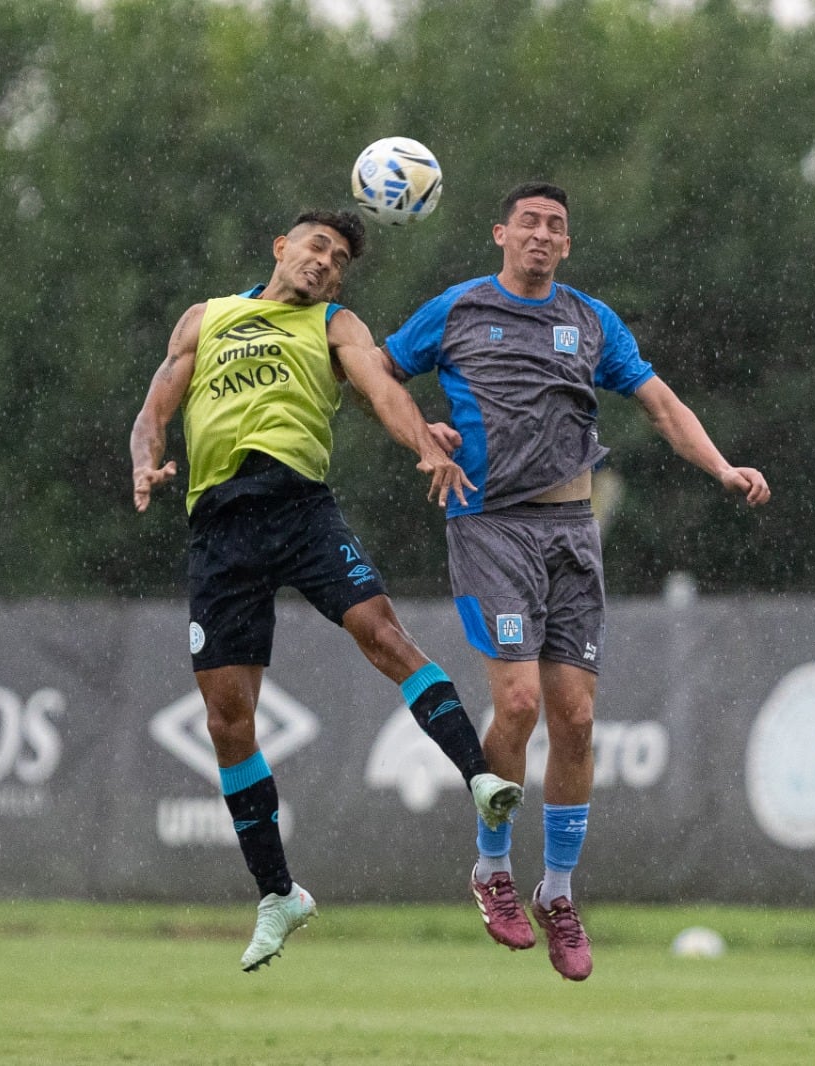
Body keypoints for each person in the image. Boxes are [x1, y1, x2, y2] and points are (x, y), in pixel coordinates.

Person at [380, 182, 770, 981]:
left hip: (572, 533)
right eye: (528, 222)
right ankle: (493, 867)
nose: (540, 234)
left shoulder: (590, 321)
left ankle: (557, 892)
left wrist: (722, 466)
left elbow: (659, 404)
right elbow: (373, 372)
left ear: (566, 245)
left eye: (555, 226)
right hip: (491, 527)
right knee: (519, 702)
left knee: (578, 720)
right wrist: (420, 436)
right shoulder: (457, 310)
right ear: (500, 233)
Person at [130, 209, 522, 973]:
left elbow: (381, 388)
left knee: (384, 634)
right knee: (227, 721)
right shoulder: (207, 318)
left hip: (300, 510)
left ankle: (478, 775)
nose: (326, 263)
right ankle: (279, 895)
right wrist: (145, 461)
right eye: (318, 247)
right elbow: (155, 408)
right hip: (220, 527)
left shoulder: (335, 325)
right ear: (281, 247)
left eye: (340, 259)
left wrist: (423, 444)